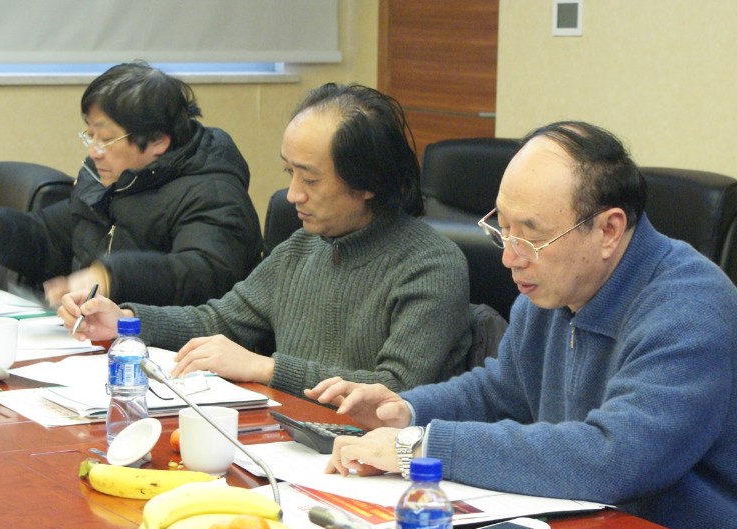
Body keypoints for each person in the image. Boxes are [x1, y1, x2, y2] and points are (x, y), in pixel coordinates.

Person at [307, 120, 737, 529]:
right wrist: (406, 410)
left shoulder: (690, 310)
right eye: (503, 226)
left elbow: (613, 458)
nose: (509, 256)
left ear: (608, 230)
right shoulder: (553, 289)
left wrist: (421, 448)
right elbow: (504, 390)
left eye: (531, 236)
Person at [57, 83, 472, 397]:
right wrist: (124, 321)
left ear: (367, 183)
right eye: (289, 173)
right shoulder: (302, 247)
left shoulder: (430, 265)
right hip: (291, 438)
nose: (293, 195)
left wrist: (266, 369)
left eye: (310, 179)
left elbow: (395, 390)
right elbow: (218, 321)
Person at [0, 60, 262, 308]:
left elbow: (202, 276)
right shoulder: (107, 176)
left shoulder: (213, 193)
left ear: (158, 141)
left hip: (174, 356)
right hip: (97, 339)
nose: (93, 151)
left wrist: (112, 276)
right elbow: (55, 237)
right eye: (90, 135)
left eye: (106, 138)